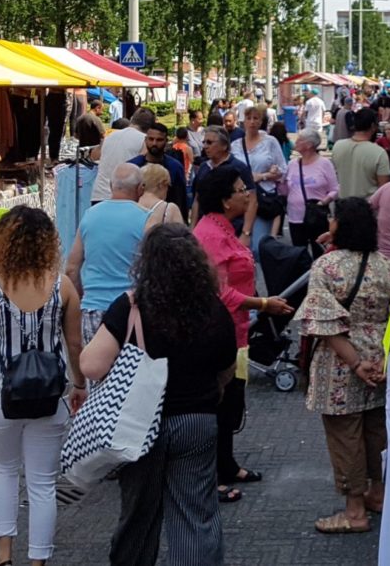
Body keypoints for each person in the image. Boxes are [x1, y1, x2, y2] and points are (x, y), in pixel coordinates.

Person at [80, 225, 237, 565]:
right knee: (195, 514)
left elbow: (91, 365)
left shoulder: (131, 306)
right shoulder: (212, 307)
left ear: (146, 263)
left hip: (139, 427)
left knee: (139, 514)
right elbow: (227, 363)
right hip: (198, 420)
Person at [0, 206, 86, 566]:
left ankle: (3, 555)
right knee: (43, 484)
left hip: (0, 395)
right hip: (50, 395)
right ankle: (38, 560)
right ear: (47, 243)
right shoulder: (63, 286)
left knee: (5, 470)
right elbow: (75, 344)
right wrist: (79, 385)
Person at [297, 197, 390, 534]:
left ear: (339, 225)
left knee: (346, 437)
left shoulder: (326, 267)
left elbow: (323, 323)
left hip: (341, 367)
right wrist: (381, 359)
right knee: (377, 432)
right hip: (382, 363)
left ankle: (354, 512)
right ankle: (379, 494)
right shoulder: (388, 267)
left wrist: (356, 364)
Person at [193, 167, 271, 501]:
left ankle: (227, 464)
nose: (247, 194)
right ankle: (211, 476)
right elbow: (220, 293)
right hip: (220, 334)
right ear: (226, 200)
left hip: (236, 332)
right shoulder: (210, 234)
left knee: (232, 404)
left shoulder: (224, 229)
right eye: (241, 190)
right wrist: (264, 303)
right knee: (220, 405)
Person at [63, 162, 147, 346]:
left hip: (94, 307)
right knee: (130, 371)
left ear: (110, 186)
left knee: (96, 371)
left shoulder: (90, 215)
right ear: (140, 189)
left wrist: (83, 300)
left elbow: (71, 269)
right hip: (133, 311)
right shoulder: (147, 218)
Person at [189, 128, 258, 241]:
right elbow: (197, 199)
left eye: (210, 142)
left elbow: (252, 200)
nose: (205, 146)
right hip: (206, 229)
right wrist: (193, 228)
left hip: (233, 230)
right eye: (204, 142)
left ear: (224, 146)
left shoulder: (239, 168)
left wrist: (246, 233)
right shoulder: (203, 168)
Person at [236, 106, 287, 253]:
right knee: (240, 247)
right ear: (243, 121)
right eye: (248, 118)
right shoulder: (235, 145)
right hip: (240, 200)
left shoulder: (270, 142)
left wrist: (264, 176)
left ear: (261, 122)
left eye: (255, 118)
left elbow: (283, 169)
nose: (252, 122)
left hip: (262, 198)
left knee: (258, 247)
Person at [279, 129, 338, 247]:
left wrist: (324, 201)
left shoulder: (324, 164)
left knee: (319, 251)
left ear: (309, 145)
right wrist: (279, 180)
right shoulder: (292, 164)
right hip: (295, 216)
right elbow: (285, 190)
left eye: (300, 140)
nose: (295, 142)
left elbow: (335, 188)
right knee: (299, 253)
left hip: (316, 216)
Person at [129, 122, 189, 221]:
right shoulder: (134, 166)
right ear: (145, 140)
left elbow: (180, 200)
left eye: (159, 140)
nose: (154, 143)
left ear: (166, 141)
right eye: (151, 139)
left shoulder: (175, 167)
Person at [92, 107, 154, 202]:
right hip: (125, 196)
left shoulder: (109, 136)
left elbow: (94, 156)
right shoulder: (145, 140)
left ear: (132, 119)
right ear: (150, 127)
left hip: (99, 194)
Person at [331, 110, 390, 200]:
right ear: (373, 126)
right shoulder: (379, 152)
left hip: (343, 204)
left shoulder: (338, 146)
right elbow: (384, 187)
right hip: (368, 206)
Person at [137, 164, 187, 232]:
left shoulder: (131, 204)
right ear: (161, 185)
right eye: (167, 185)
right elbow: (182, 239)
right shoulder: (170, 209)